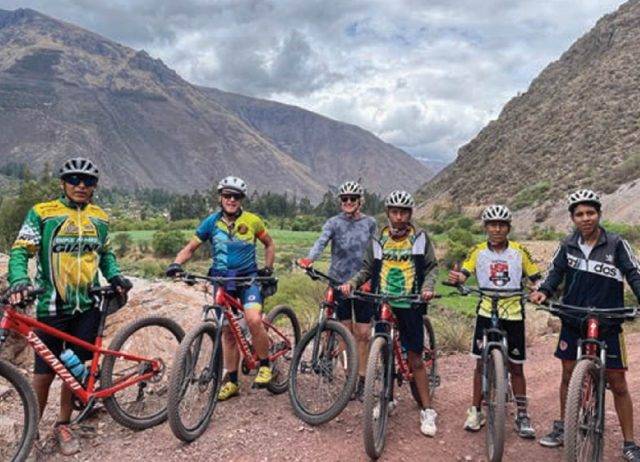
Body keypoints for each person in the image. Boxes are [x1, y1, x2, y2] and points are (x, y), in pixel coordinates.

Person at [8, 157, 131, 456]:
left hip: (87, 305)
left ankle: (63, 424)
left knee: (73, 369)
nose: (80, 185)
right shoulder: (43, 213)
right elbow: (21, 250)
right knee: (43, 373)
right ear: (63, 183)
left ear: (94, 187)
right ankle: (32, 429)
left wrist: (114, 274)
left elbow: (106, 253)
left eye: (87, 181)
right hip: (51, 305)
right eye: (74, 179)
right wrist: (20, 279)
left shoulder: (100, 218)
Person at [529, 189, 640, 461]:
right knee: (568, 375)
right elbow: (554, 273)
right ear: (572, 218)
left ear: (599, 214)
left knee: (618, 382)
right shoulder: (567, 245)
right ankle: (565, 425)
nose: (586, 218)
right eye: (579, 214)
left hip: (609, 321)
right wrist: (544, 291)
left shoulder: (616, 244)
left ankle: (629, 442)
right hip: (573, 319)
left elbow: (635, 274)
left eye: (590, 213)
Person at [166, 176, 275, 401]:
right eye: (227, 195)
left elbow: (269, 244)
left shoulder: (253, 221)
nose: (231, 200)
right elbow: (191, 247)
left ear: (241, 199)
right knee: (228, 331)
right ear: (220, 197)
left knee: (253, 320)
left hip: (248, 280)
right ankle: (232, 380)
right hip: (222, 282)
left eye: (236, 196)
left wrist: (268, 268)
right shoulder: (211, 223)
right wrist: (176, 264)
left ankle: (265, 364)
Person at [339, 190, 439, 436]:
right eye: (394, 212)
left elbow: (432, 267)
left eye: (403, 212)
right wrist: (352, 283)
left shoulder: (420, 238)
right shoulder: (378, 240)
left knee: (415, 359)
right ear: (388, 213)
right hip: (382, 303)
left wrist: (427, 288)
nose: (398, 217)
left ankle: (427, 410)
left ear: (410, 214)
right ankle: (388, 399)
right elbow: (367, 268)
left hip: (410, 304)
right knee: (385, 354)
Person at [448, 204, 540, 438]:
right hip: (486, 311)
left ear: (508, 227)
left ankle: (522, 413)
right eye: (492, 225)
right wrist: (458, 278)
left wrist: (537, 288)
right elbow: (465, 273)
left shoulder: (520, 251)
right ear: (486, 228)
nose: (497, 229)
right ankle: (476, 410)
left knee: (517, 366)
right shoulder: (478, 251)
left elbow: (536, 277)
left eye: (501, 225)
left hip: (514, 313)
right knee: (480, 364)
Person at [297, 180, 377, 399]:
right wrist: (309, 259)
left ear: (360, 201)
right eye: (344, 199)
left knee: (362, 333)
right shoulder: (333, 223)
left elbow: (375, 251)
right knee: (345, 332)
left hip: (364, 284)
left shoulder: (370, 223)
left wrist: (374, 276)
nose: (348, 202)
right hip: (338, 281)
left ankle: (362, 379)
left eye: (353, 199)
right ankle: (350, 378)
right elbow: (321, 242)